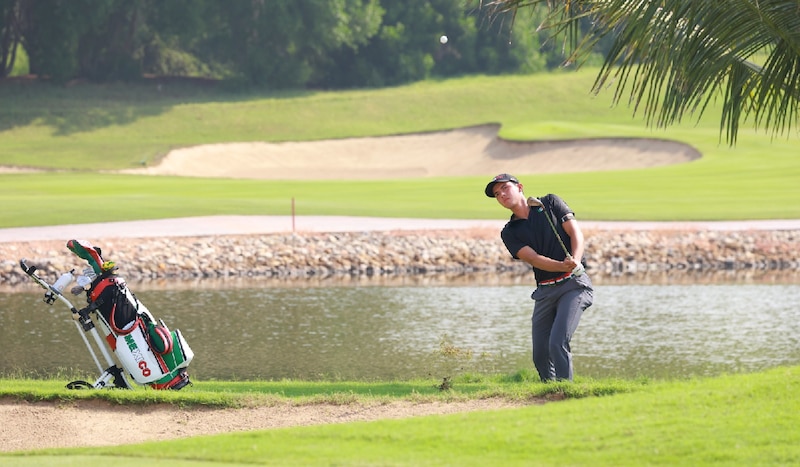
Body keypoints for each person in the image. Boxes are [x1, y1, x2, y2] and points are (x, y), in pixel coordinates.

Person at [485, 173, 593, 382]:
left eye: (505, 188)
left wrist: (575, 261)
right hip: (545, 291)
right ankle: (549, 390)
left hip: (574, 286)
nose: (502, 195)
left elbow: (575, 233)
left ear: (519, 187)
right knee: (541, 353)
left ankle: (565, 390)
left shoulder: (550, 203)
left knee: (557, 341)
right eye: (498, 194)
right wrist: (561, 265)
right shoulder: (509, 232)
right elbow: (533, 258)